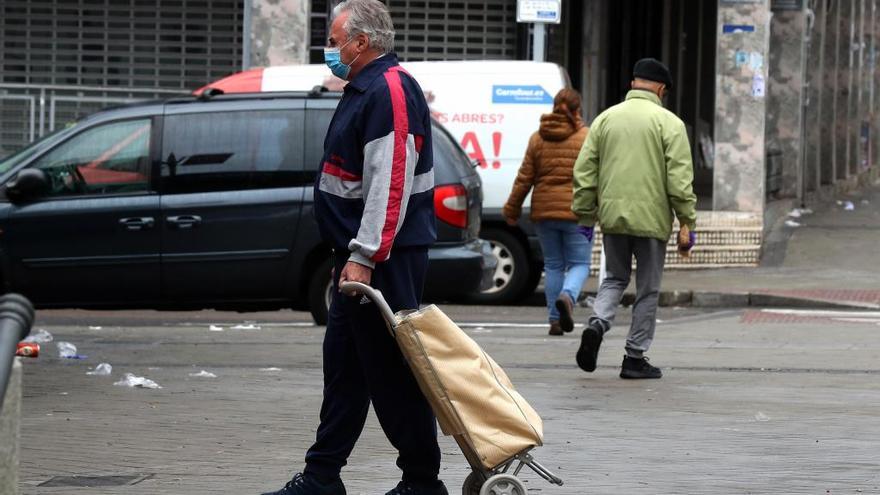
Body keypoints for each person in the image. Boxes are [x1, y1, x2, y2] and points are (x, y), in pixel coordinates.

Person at [261, 1, 447, 494]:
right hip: (359, 255)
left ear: (361, 43)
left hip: (384, 259)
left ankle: (423, 482)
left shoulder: (389, 89)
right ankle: (323, 476)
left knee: (391, 370)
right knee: (344, 367)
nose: (330, 47)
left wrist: (365, 256)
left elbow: (390, 183)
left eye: (335, 37)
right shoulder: (365, 88)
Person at [571, 58, 697, 380]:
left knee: (614, 277)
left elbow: (585, 171)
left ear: (633, 85)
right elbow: (679, 181)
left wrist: (586, 215)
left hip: (613, 216)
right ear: (661, 89)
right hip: (652, 220)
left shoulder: (605, 120)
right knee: (648, 288)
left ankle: (598, 324)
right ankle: (634, 357)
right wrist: (687, 220)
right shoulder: (670, 124)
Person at [502, 89, 591, 336]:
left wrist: (512, 209)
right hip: (577, 212)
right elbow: (597, 177)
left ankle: (554, 320)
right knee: (580, 263)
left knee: (553, 265)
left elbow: (524, 178)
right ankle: (569, 296)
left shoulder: (537, 138)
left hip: (543, 212)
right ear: (577, 110)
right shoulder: (586, 137)